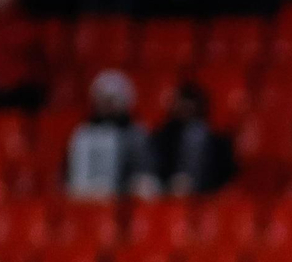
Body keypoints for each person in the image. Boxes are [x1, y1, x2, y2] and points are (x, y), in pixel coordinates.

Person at [66, 69, 158, 198]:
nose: (108, 106)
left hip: (121, 197)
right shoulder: (83, 133)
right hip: (84, 199)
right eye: (104, 100)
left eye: (112, 100)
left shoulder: (136, 134)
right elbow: (69, 173)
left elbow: (144, 169)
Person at [151, 83, 232, 195]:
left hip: (205, 189)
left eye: (189, 104)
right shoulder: (165, 135)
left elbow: (222, 171)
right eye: (181, 103)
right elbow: (157, 164)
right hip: (169, 186)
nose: (185, 108)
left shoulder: (214, 139)